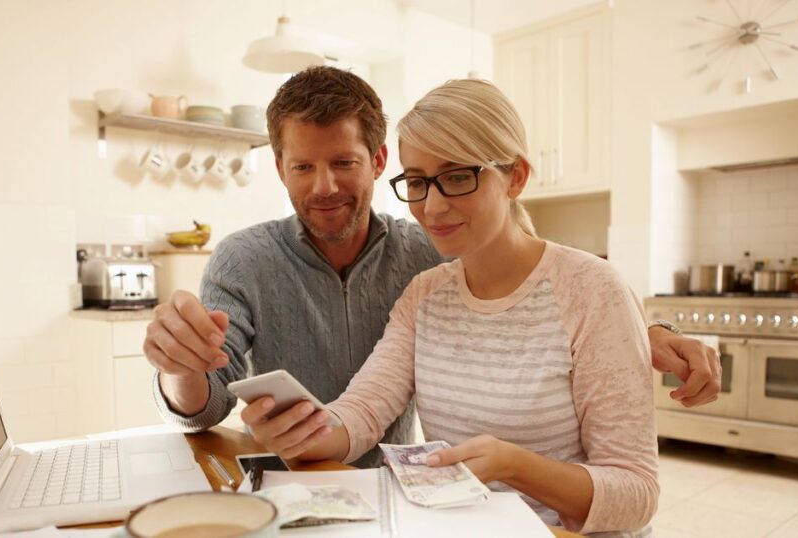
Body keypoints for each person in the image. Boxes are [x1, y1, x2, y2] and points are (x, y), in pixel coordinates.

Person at [144, 66, 719, 468]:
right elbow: (206, 408)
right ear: (280, 169)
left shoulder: (430, 249)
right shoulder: (248, 260)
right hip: (306, 473)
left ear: (376, 162)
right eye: (302, 168)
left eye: (344, 162)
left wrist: (637, 335)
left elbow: (536, 276)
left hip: (409, 487)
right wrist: (178, 365)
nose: (324, 187)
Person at [242, 79, 657, 536]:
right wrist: (304, 431)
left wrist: (514, 467)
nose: (433, 207)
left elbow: (636, 494)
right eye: (417, 182)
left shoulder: (592, 290)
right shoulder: (425, 294)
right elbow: (363, 410)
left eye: (458, 176)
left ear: (515, 176)